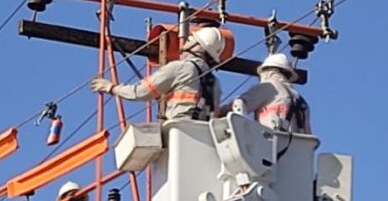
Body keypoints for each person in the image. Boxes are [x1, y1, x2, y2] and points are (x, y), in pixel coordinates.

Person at [90, 26, 227, 121]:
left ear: (198, 46)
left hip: (180, 132)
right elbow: (214, 116)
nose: (186, 43)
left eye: (191, 39)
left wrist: (111, 88)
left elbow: (141, 92)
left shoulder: (181, 68)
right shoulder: (216, 84)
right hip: (204, 139)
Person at [225, 52, 311, 134]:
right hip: (295, 144)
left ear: (269, 71)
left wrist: (220, 112)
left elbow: (239, 104)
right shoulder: (301, 101)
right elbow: (309, 137)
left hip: (268, 141)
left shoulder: (269, 87)